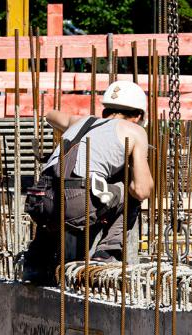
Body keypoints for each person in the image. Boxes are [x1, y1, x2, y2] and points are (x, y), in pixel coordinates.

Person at [22, 80, 154, 283]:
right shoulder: (134, 130)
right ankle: (107, 253)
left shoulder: (84, 122)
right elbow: (142, 189)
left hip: (39, 199)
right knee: (128, 191)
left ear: (106, 110)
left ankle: (37, 261)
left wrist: (71, 125)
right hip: (76, 201)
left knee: (58, 198)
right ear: (138, 116)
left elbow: (50, 115)